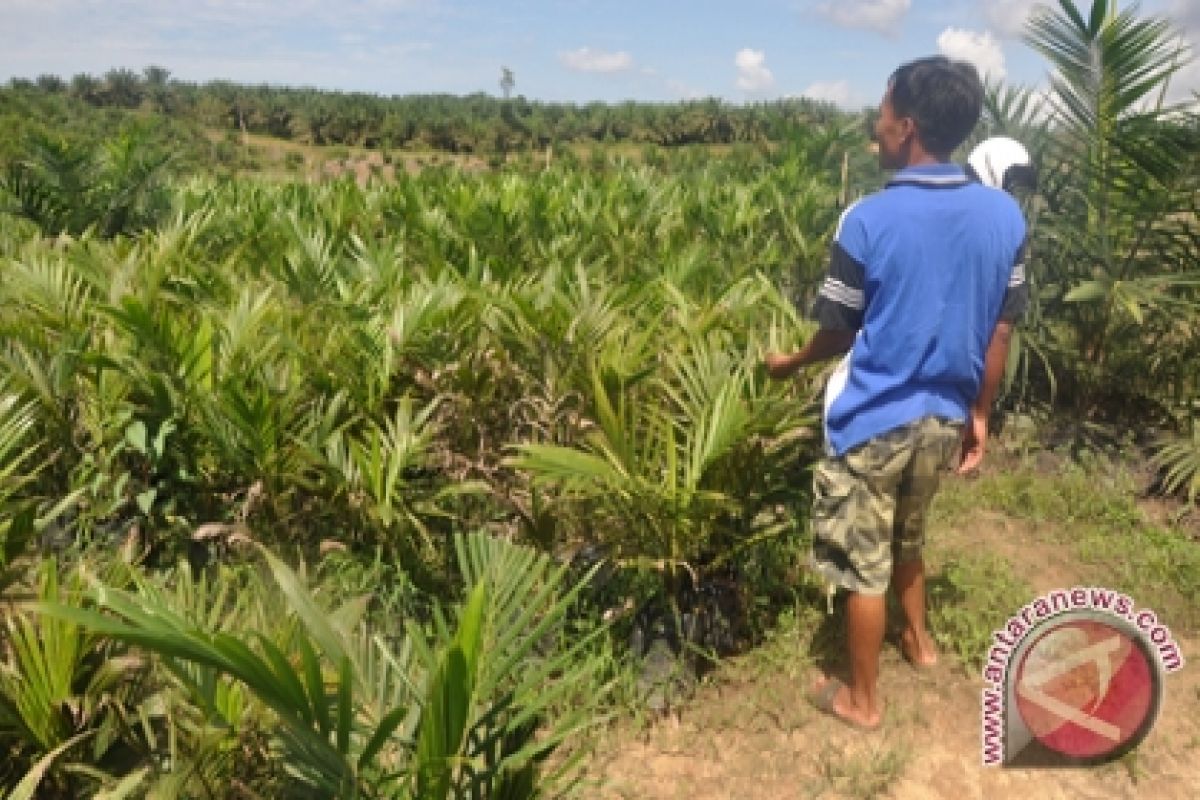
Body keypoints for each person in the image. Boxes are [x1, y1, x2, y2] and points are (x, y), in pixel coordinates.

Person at [763, 56, 1028, 731]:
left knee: (862, 563)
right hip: (944, 417)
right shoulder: (1005, 219)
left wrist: (789, 362)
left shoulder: (868, 219)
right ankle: (920, 644)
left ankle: (862, 701)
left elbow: (837, 332)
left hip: (874, 421)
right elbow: (1000, 331)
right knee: (911, 533)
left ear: (906, 126)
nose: (874, 129)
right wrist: (980, 413)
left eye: (881, 116)